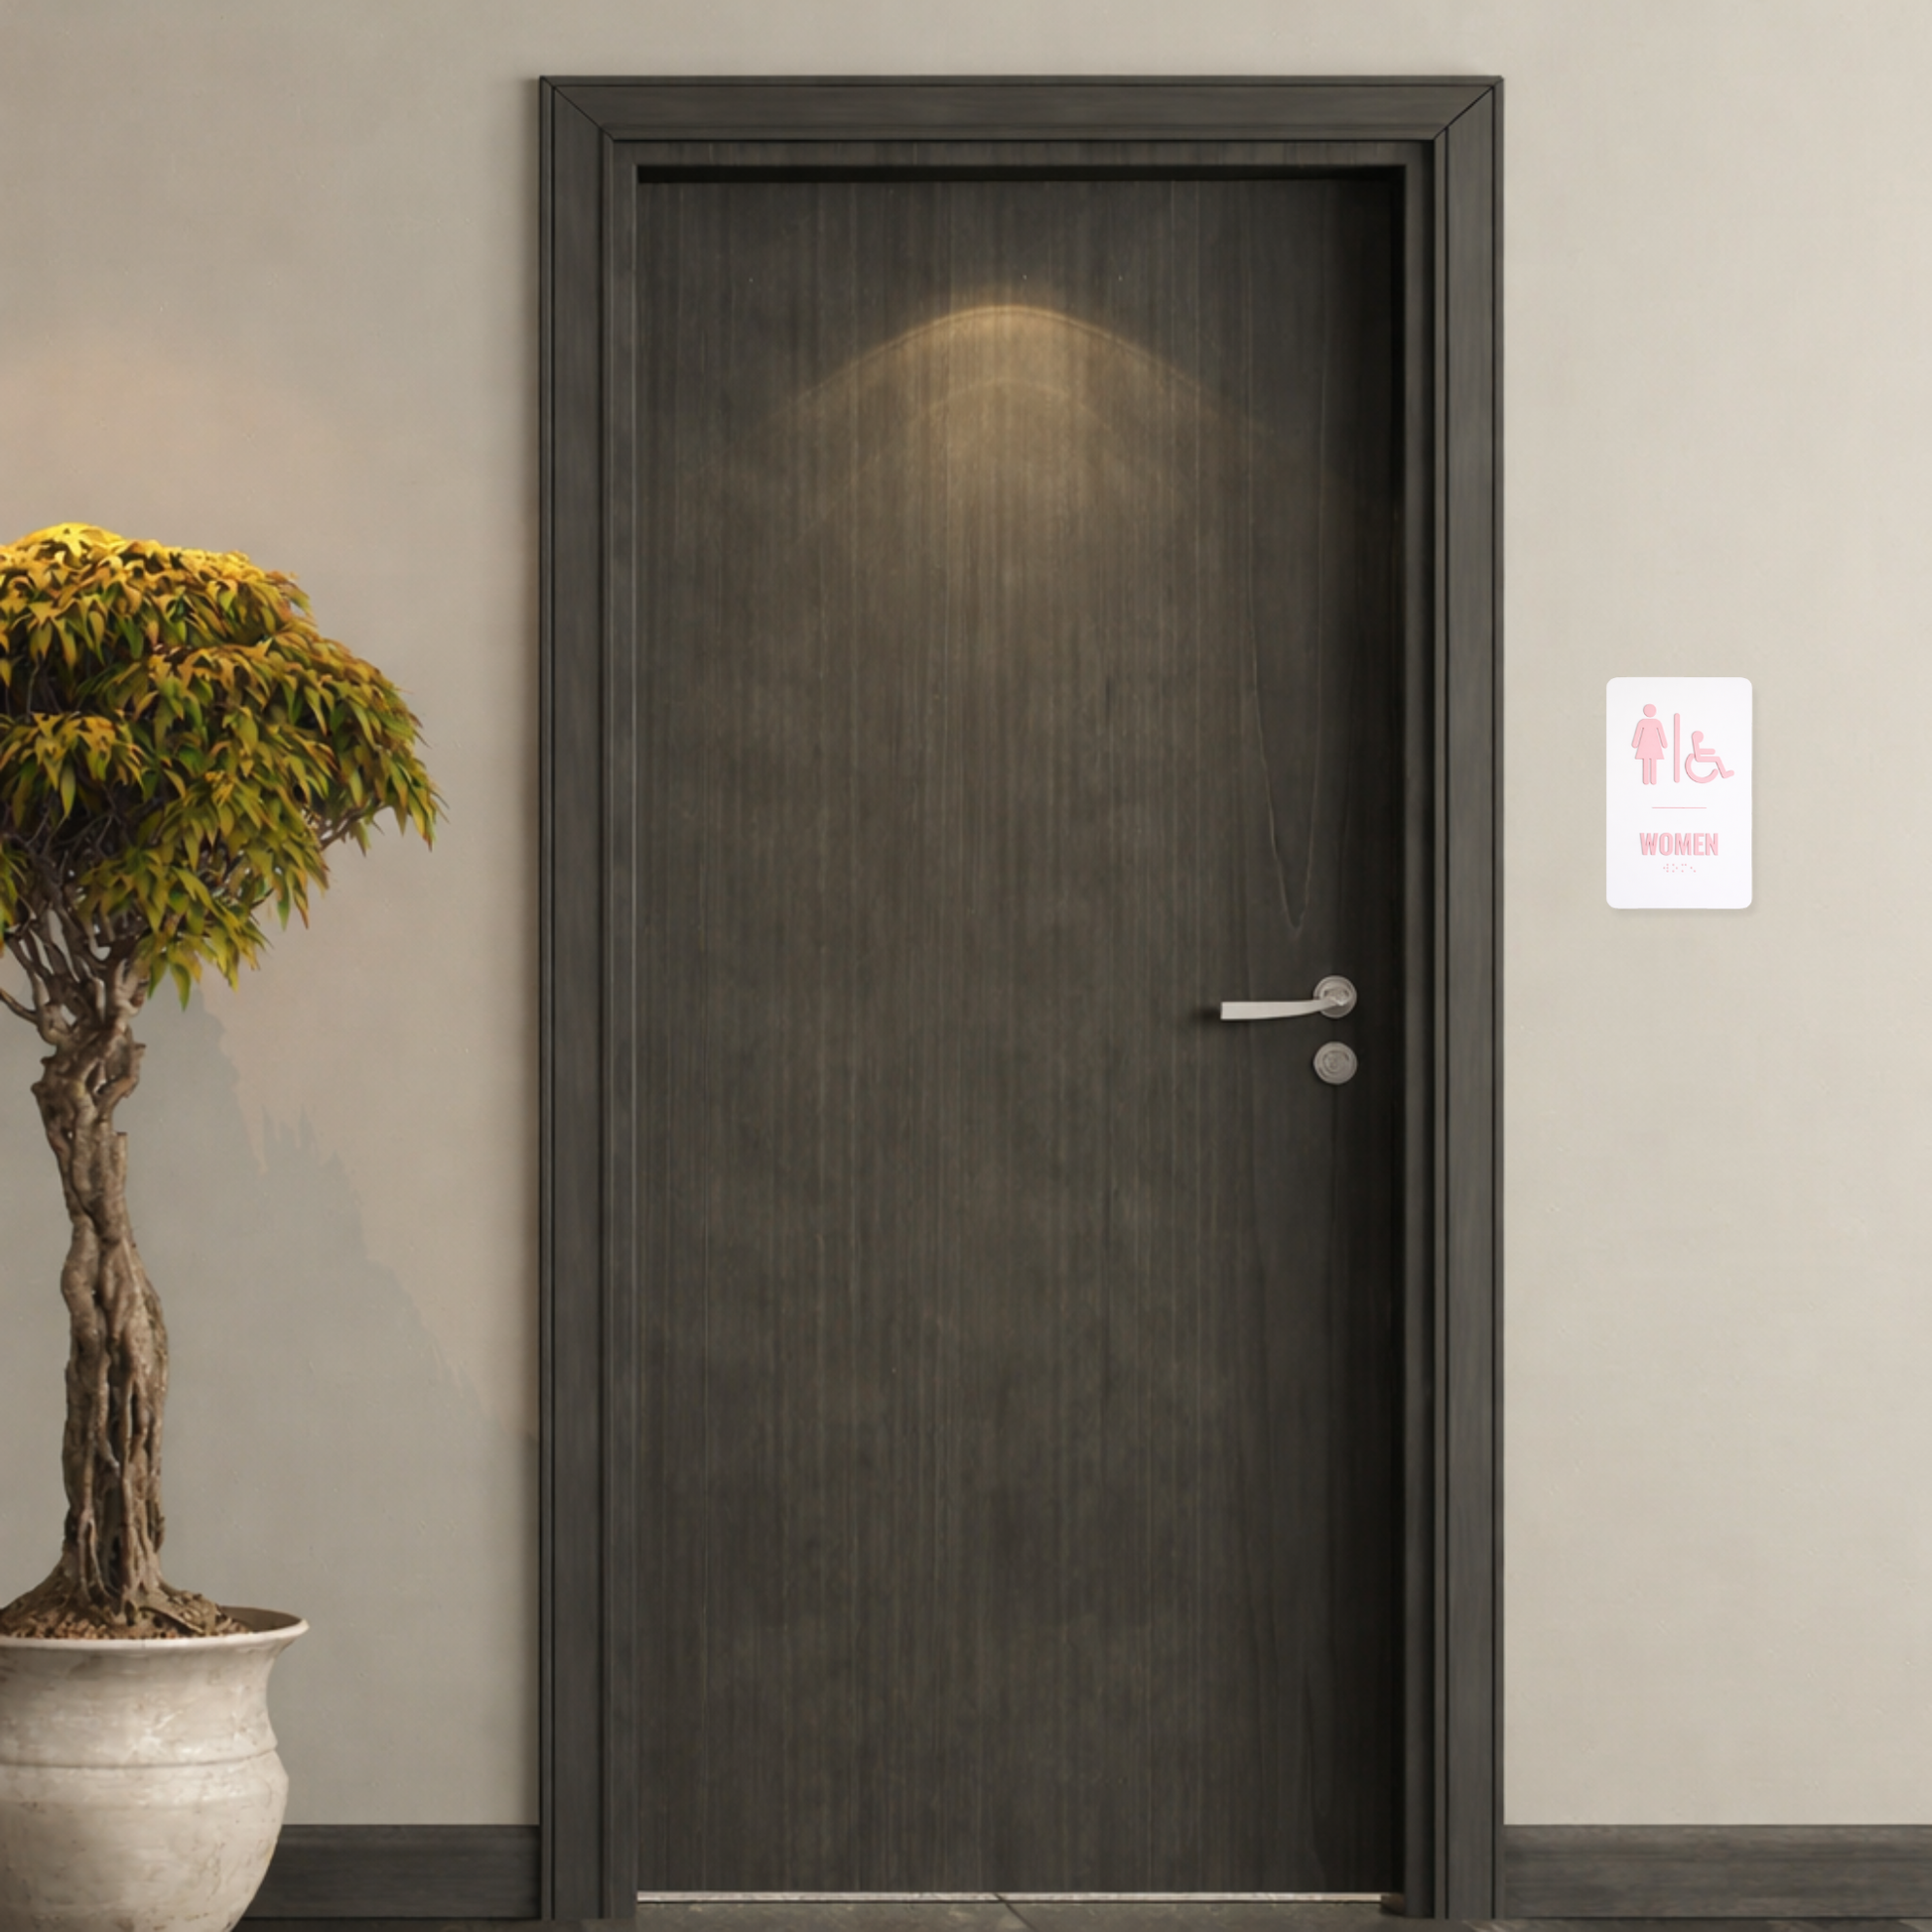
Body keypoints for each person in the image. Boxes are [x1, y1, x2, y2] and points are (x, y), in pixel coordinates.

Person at [1631, 703, 1669, 784]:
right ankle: (1650, 780)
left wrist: (1635, 744)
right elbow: (1661, 734)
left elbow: (1661, 733)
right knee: (1650, 760)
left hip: (1649, 745)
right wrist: (1664, 744)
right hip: (1651, 745)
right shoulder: (1652, 722)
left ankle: (1650, 780)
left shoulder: (1645, 722)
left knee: (1649, 760)